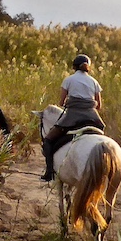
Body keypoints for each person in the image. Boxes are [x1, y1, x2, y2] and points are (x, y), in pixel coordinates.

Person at [40, 54, 105, 182]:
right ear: (88, 67)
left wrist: (71, 103)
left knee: (48, 140)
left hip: (72, 116)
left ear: (74, 66)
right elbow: (99, 105)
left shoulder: (69, 80)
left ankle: (49, 172)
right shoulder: (94, 81)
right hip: (93, 117)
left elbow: (61, 102)